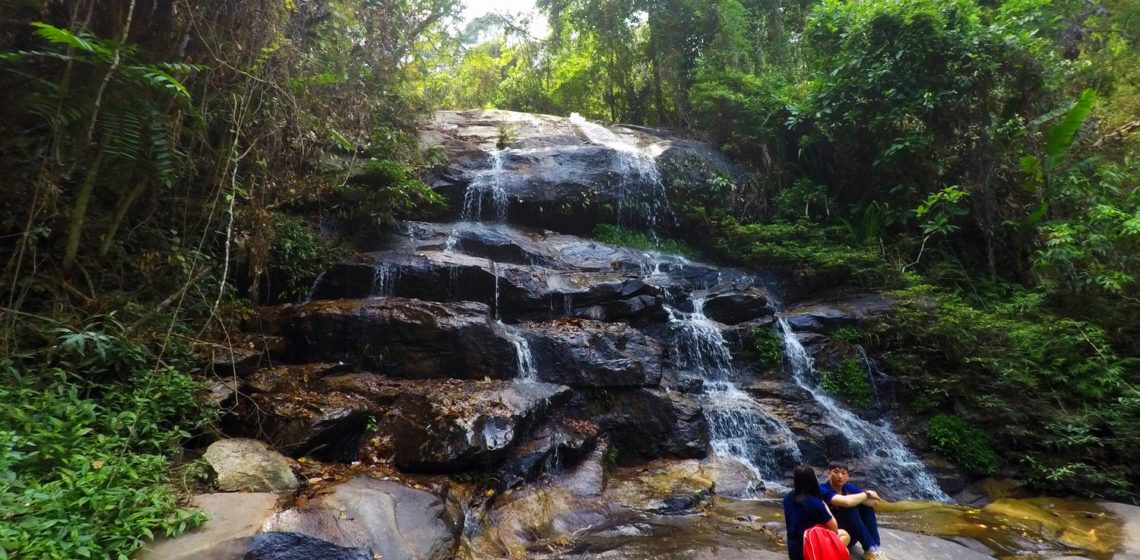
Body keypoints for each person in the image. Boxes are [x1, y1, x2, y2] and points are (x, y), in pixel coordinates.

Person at [820, 464, 886, 560]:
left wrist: (862, 498)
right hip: (835, 535)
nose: (840, 476)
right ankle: (870, 548)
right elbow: (847, 502)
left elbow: (874, 503)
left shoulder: (848, 487)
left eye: (843, 473)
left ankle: (874, 548)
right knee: (850, 507)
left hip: (850, 535)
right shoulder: (822, 489)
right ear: (829, 473)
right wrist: (867, 494)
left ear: (848, 477)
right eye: (836, 472)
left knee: (866, 507)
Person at [784, 464, 850, 560]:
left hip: (794, 550)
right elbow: (834, 528)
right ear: (812, 480)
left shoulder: (787, 498)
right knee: (844, 540)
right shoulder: (815, 502)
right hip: (809, 550)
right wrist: (824, 504)